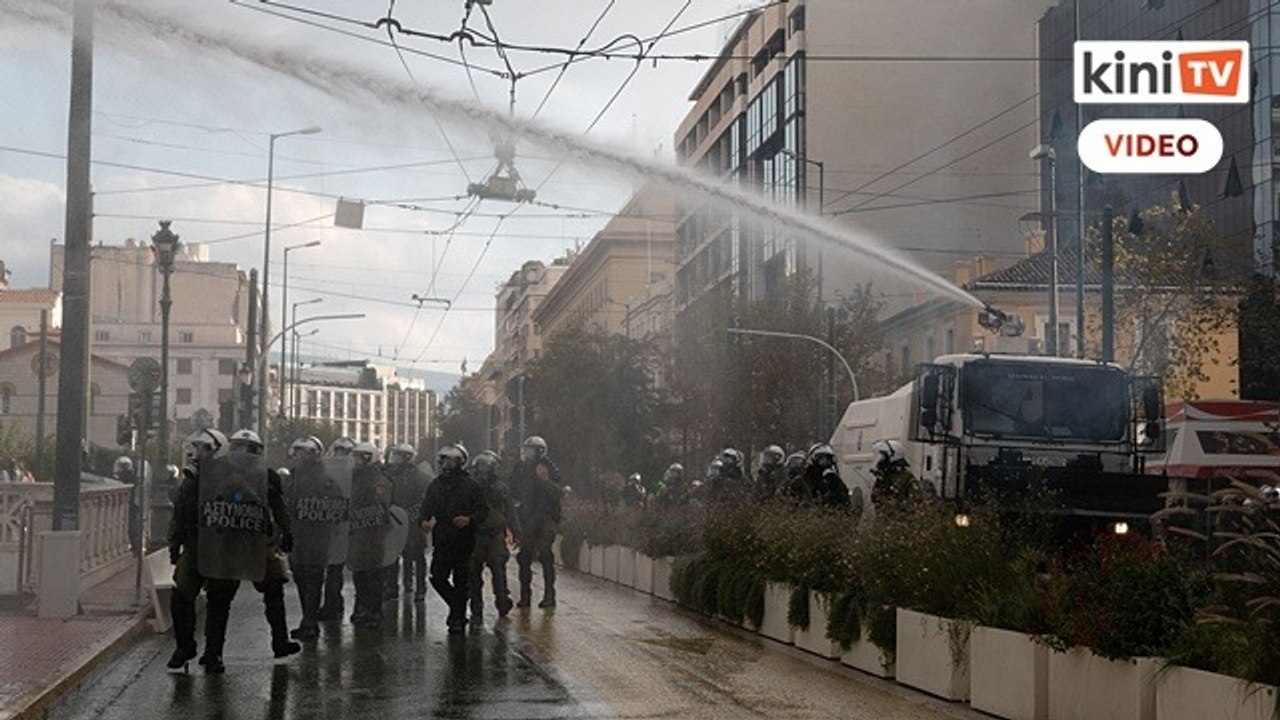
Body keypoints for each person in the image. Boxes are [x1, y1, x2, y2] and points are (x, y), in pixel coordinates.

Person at [166, 429, 238, 674]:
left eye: (204, 448)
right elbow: (179, 511)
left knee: (219, 602)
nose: (198, 453)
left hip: (223, 548)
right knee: (181, 596)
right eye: (197, 448)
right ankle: (185, 646)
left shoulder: (233, 477)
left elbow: (245, 508)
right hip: (195, 545)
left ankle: (214, 653)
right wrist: (174, 543)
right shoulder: (191, 479)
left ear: (218, 450)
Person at [228, 429, 301, 661]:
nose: (241, 453)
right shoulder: (219, 474)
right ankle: (212, 653)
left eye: (246, 448)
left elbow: (279, 507)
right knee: (219, 596)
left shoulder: (267, 477)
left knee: (274, 588)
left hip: (258, 541)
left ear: (257, 452)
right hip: (226, 541)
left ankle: (280, 642)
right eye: (237, 446)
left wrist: (287, 531)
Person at [420, 444, 488, 634]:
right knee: (437, 577)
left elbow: (483, 510)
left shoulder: (472, 485)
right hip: (442, 538)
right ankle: (457, 608)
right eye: (443, 460)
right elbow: (426, 507)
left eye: (450, 460)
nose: (445, 464)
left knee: (461, 580)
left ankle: (457, 618)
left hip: (464, 540)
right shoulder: (436, 484)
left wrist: (469, 519)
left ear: (460, 462)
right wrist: (423, 521)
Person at [285, 436, 345, 642]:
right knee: (301, 577)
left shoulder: (326, 478)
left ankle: (310, 623)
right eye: (298, 451)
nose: (299, 456)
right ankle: (307, 619)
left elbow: (338, 506)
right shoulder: (292, 477)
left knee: (312, 577)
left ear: (314, 454)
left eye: (304, 452)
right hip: (297, 534)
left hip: (318, 535)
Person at [512, 436, 563, 609]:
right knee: (524, 557)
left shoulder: (549, 467)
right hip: (527, 518)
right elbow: (513, 490)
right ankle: (525, 596)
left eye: (531, 449)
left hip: (545, 518)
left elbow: (558, 493)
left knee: (545, 555)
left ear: (540, 451)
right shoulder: (520, 468)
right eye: (526, 449)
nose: (527, 453)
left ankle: (549, 595)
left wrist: (545, 479)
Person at [469, 450, 519, 624]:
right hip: (478, 535)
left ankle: (500, 602)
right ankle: (479, 604)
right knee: (477, 573)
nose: (482, 473)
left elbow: (510, 511)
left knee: (496, 571)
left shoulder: (500, 488)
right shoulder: (471, 487)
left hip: (493, 534)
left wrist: (515, 531)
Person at [349, 441, 392, 629]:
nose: (356, 460)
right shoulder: (350, 477)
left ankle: (374, 610)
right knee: (359, 571)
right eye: (355, 456)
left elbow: (384, 500)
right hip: (356, 529)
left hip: (374, 531)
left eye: (361, 456)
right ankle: (361, 607)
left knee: (373, 572)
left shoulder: (379, 479)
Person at [384, 443, 431, 601]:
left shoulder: (419, 476)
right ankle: (394, 586)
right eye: (394, 455)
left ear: (408, 457)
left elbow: (427, 498)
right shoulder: (390, 474)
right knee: (393, 555)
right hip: (396, 520)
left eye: (398, 456)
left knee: (416, 555)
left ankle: (420, 587)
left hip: (414, 520)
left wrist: (423, 517)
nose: (394, 459)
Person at [318, 437, 356, 623]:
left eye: (345, 452)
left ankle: (337, 604)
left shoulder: (359, 473)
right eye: (339, 451)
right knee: (333, 567)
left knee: (342, 568)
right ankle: (333, 603)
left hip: (351, 524)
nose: (342, 456)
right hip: (332, 524)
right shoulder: (325, 471)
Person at [871, 439, 919, 507]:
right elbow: (874, 498)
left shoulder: (907, 479)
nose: (880, 461)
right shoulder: (884, 478)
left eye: (883, 457)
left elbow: (917, 504)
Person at [802, 443, 851, 509]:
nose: (826, 462)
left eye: (828, 459)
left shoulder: (832, 478)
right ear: (815, 459)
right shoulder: (808, 477)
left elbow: (843, 496)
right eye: (822, 458)